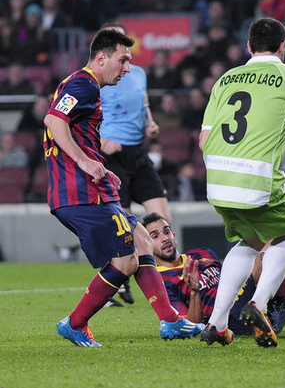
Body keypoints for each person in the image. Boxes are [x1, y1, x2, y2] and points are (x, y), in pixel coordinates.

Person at [44, 28, 204, 347]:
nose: (128, 68)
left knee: (143, 241)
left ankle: (170, 320)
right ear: (102, 58)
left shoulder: (82, 84)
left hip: (93, 187)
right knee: (125, 261)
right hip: (80, 193)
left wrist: (99, 165)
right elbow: (53, 121)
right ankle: (75, 324)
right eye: (123, 60)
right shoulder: (83, 84)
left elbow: (73, 129)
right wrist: (86, 163)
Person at [198, 17, 285, 348]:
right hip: (255, 179)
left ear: (248, 47)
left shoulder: (225, 79)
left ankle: (217, 323)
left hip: (217, 179)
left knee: (250, 242)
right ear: (283, 46)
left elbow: (203, 140)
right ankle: (259, 303)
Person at [143, 213, 285, 335]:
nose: (164, 238)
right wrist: (193, 292)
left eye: (166, 232)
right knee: (273, 245)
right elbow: (189, 326)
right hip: (236, 322)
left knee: (279, 241)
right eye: (154, 236)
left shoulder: (202, 253)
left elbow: (231, 279)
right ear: (146, 243)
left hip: (268, 306)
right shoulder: (160, 282)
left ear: (174, 235)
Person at [99, 21, 173, 306]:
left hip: (138, 154)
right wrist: (101, 140)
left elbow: (144, 105)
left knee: (163, 222)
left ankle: (169, 284)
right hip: (112, 157)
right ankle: (116, 283)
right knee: (127, 229)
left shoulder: (138, 73)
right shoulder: (94, 78)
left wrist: (150, 125)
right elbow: (78, 119)